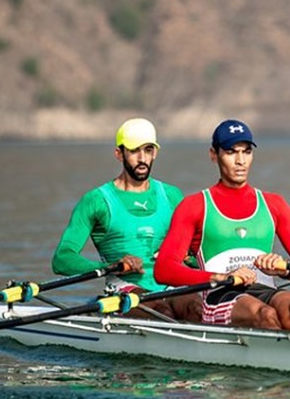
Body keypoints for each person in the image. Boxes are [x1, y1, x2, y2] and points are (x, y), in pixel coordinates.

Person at [153, 119, 290, 336]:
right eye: (231, 152)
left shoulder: (274, 204)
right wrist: (218, 276)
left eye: (246, 152)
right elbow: (164, 269)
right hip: (219, 295)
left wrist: (284, 269)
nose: (240, 161)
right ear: (214, 155)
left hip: (264, 290)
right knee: (265, 315)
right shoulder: (194, 206)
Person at [52, 117, 200, 321]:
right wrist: (111, 266)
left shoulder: (172, 196)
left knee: (197, 310)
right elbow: (62, 259)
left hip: (171, 282)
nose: (142, 158)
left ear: (155, 152)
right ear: (119, 154)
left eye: (148, 150)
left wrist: (187, 257)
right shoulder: (96, 201)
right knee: (161, 314)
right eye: (134, 150)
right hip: (124, 287)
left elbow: (195, 251)